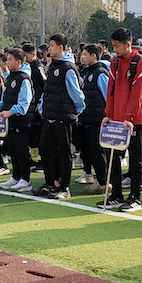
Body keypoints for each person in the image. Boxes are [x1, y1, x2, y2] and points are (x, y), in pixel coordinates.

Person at [102, 27, 142, 210]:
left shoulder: (141, 63)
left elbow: (138, 93)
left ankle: (134, 197)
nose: (114, 49)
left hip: (136, 119)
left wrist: (129, 117)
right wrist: (109, 114)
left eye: (117, 46)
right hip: (116, 118)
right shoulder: (114, 62)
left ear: (128, 44)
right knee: (113, 156)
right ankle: (116, 194)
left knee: (135, 158)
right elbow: (111, 90)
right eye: (113, 46)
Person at [34, 34, 84, 199]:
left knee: (64, 152)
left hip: (63, 116)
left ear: (60, 47)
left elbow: (76, 92)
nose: (49, 49)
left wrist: (77, 110)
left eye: (52, 45)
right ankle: (50, 183)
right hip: (50, 115)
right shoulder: (53, 66)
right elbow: (48, 90)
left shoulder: (68, 68)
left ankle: (65, 187)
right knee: (45, 148)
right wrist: (43, 107)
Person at [0, 48, 35, 193]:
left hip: (21, 121)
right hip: (10, 122)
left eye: (10, 60)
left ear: (19, 62)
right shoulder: (10, 77)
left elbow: (24, 104)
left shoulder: (24, 79)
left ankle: (25, 179)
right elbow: (5, 99)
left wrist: (11, 112)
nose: (7, 62)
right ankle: (16, 176)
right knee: (12, 150)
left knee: (21, 151)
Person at [76, 44, 110, 195]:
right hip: (88, 119)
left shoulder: (100, 73)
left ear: (94, 56)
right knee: (89, 150)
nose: (82, 57)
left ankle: (103, 181)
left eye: (85, 54)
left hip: (98, 120)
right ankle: (95, 177)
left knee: (98, 151)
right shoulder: (88, 72)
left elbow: (108, 96)